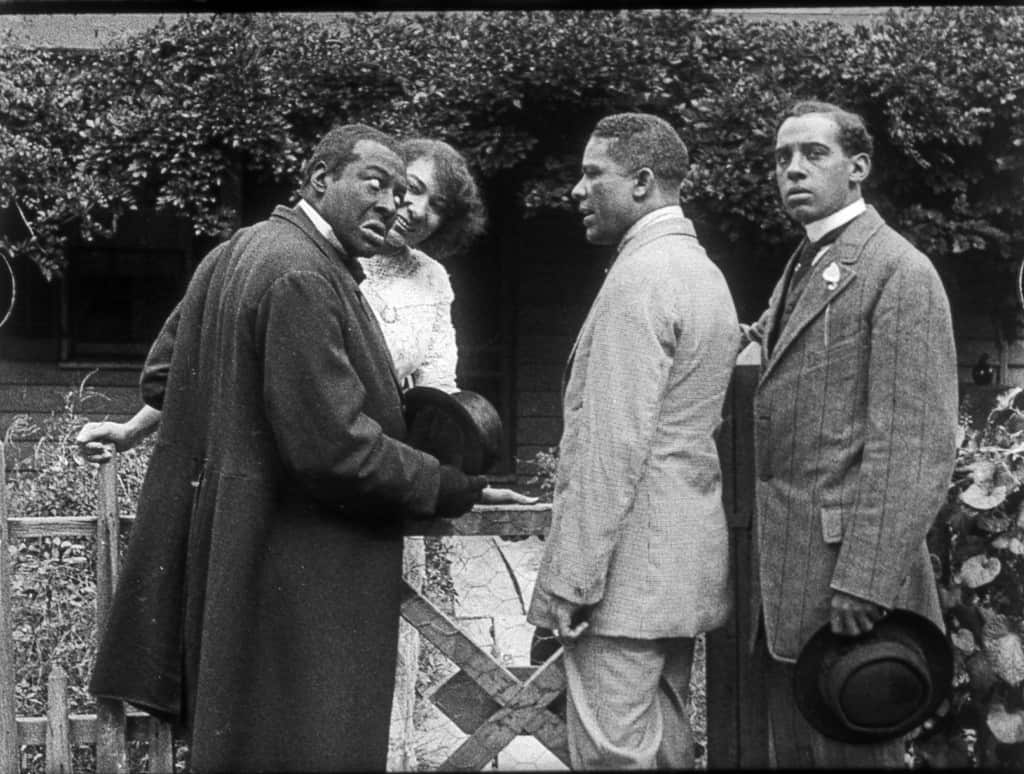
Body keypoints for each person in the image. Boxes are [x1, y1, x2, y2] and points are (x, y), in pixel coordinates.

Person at [87, 124, 489, 772]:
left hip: (238, 553)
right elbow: (335, 449)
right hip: (304, 568)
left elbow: (164, 375)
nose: (389, 203)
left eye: (399, 191)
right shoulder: (302, 274)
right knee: (308, 745)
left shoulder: (238, 250)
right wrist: (445, 483)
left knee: (247, 745)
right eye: (374, 183)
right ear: (319, 180)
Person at [76, 136, 530, 508]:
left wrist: (455, 479)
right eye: (407, 188)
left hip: (381, 475)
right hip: (309, 475)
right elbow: (214, 360)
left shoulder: (431, 279)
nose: (411, 208)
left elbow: (438, 395)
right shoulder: (309, 263)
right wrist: (133, 430)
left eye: (437, 205)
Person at [742, 100, 957, 767]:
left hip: (853, 587)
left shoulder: (900, 270)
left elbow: (914, 445)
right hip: (788, 580)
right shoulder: (805, 263)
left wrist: (865, 579)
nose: (793, 170)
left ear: (858, 167)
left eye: (814, 154)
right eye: (782, 158)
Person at [526, 113, 739, 769]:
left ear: (642, 182)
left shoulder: (639, 279)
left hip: (622, 585)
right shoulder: (702, 272)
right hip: (674, 573)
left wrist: (568, 580)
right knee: (668, 751)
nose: (577, 191)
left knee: (614, 757)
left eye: (594, 175)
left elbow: (610, 449)